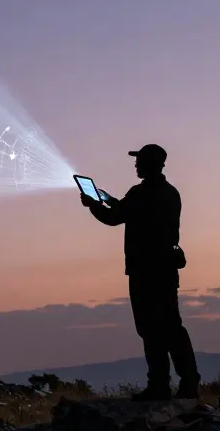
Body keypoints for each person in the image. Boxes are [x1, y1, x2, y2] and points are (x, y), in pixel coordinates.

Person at [82, 143, 200, 401]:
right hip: (165, 270)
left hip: (145, 271)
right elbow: (128, 211)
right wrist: (109, 200)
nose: (136, 164)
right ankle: (188, 383)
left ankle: (159, 386)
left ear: (150, 163)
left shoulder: (141, 192)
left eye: (140, 160)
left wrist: (93, 205)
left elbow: (114, 218)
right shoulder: (170, 192)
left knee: (150, 328)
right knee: (171, 327)